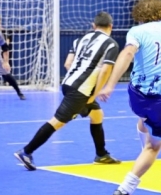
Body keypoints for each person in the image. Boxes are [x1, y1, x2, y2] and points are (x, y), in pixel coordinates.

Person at [98, 0, 161, 195]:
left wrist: (111, 84)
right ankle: (124, 191)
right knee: (153, 148)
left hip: (136, 95)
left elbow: (128, 53)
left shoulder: (136, 31)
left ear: (140, 16)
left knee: (143, 120)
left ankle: (144, 149)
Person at [14, 12, 121, 169]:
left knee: (97, 114)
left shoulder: (80, 40)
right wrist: (94, 93)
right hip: (81, 91)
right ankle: (26, 152)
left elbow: (67, 63)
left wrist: (79, 75)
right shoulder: (111, 44)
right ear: (111, 26)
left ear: (93, 26)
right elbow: (105, 71)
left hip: (67, 84)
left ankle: (101, 154)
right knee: (57, 122)